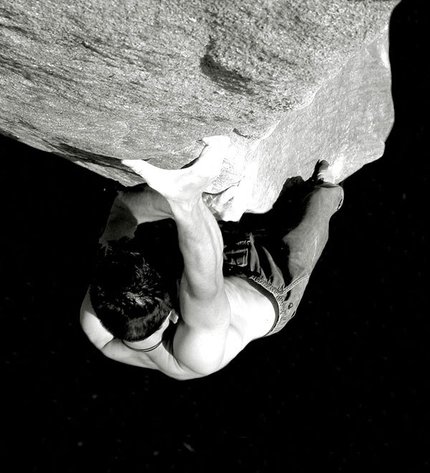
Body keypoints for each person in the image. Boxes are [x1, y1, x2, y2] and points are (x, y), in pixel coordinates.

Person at [80, 136, 344, 380]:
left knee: (130, 223)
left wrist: (209, 207)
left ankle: (205, 211)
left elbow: (122, 209)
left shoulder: (98, 321)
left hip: (212, 266)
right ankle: (329, 190)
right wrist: (187, 201)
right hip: (270, 284)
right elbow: (207, 274)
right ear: (171, 312)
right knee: (318, 204)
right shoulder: (197, 355)